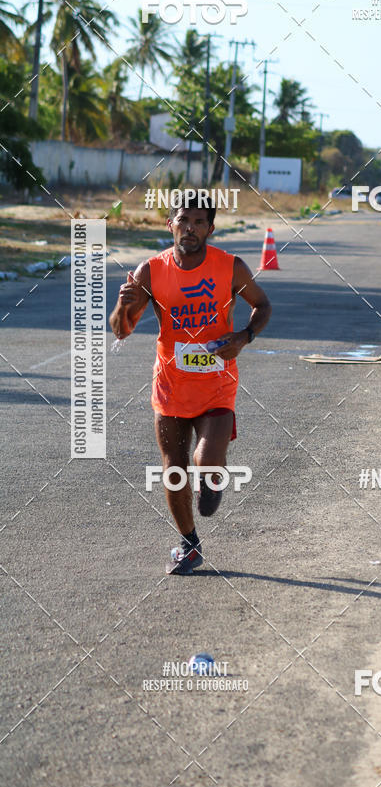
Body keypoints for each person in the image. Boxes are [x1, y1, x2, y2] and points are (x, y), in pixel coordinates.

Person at [109, 192, 272, 574]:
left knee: (206, 460)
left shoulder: (230, 267)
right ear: (171, 225)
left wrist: (244, 337)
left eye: (200, 222)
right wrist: (122, 304)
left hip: (217, 381)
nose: (191, 229)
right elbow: (121, 330)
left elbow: (262, 305)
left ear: (211, 229)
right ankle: (189, 542)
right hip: (169, 384)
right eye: (184, 220)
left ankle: (212, 478)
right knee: (173, 468)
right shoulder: (150, 270)